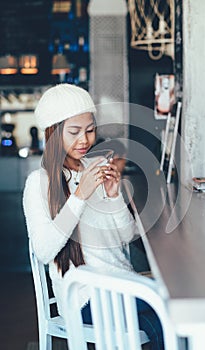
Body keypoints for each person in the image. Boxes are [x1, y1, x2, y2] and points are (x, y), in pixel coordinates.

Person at [23, 83, 164, 350]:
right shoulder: (38, 183)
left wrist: (114, 196)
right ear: (53, 133)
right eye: (74, 132)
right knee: (166, 306)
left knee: (159, 320)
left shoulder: (97, 167)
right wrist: (79, 196)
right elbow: (43, 251)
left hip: (122, 283)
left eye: (90, 130)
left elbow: (125, 237)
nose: (84, 140)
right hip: (84, 296)